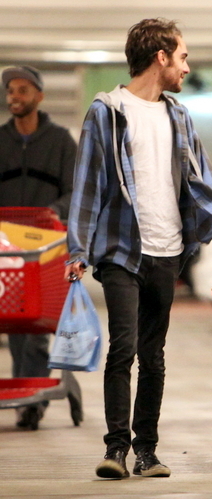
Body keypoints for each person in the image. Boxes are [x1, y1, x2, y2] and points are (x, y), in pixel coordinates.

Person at [64, 18, 212, 480]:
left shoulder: (178, 116)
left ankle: (147, 450)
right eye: (182, 57)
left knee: (154, 353)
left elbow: (200, 179)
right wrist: (78, 249)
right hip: (122, 249)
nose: (187, 67)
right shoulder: (107, 112)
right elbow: (88, 183)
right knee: (122, 347)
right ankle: (116, 449)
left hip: (168, 250)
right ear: (160, 57)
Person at [0, 65, 77, 430]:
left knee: (37, 324)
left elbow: (77, 191)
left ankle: (31, 399)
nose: (15, 96)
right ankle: (26, 395)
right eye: (11, 91)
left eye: (22, 90)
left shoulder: (60, 141)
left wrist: (54, 212)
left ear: (39, 96)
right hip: (7, 248)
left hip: (46, 248)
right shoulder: (0, 141)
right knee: (15, 324)